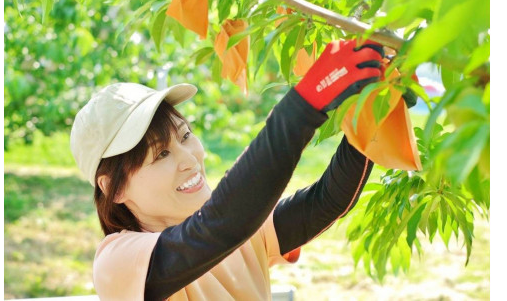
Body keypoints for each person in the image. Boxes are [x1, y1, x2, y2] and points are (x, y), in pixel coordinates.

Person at [70, 38, 385, 300]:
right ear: (114, 188)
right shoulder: (119, 262)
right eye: (161, 154)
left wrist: (369, 115)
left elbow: (326, 202)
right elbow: (222, 225)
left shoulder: (238, 226)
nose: (189, 159)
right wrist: (305, 103)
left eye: (185, 135)